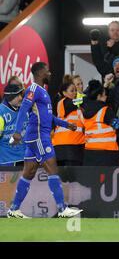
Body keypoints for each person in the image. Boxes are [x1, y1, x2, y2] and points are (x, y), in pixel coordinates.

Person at [7, 62, 82, 218]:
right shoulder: (33, 90)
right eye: (47, 71)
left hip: (37, 137)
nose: (50, 73)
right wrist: (16, 131)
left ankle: (14, 209)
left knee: (28, 173)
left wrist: (65, 124)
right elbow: (23, 109)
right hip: (39, 137)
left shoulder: (43, 92)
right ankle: (62, 209)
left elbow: (48, 117)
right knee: (53, 170)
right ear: (40, 73)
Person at [82, 80, 119, 166]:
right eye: (104, 95)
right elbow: (118, 125)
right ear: (99, 96)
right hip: (107, 154)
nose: (106, 97)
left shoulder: (84, 110)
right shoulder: (105, 110)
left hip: (89, 153)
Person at [52, 79, 85, 166]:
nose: (75, 92)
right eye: (72, 90)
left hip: (65, 147)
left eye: (75, 90)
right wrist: (87, 97)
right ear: (64, 93)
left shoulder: (75, 107)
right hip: (70, 147)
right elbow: (79, 101)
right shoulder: (65, 102)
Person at [0, 84, 26, 166]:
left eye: (20, 95)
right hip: (7, 160)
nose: (20, 98)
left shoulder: (25, 109)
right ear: (9, 97)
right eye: (17, 96)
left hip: (25, 157)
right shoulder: (1, 111)